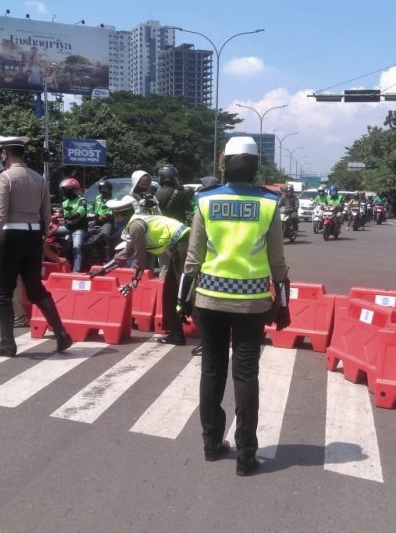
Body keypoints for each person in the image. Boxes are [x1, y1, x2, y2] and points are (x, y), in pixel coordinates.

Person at [182, 136, 289, 476]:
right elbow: (277, 260)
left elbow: (193, 257)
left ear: (224, 164)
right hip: (253, 304)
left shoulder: (205, 200)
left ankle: (211, 444)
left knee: (211, 370)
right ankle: (246, 454)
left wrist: (182, 297)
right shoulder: (269, 203)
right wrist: (284, 303)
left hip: (209, 300)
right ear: (256, 165)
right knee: (246, 375)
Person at [0, 135, 72, 357]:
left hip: (10, 237)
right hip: (33, 237)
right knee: (36, 289)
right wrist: (40, 239)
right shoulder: (39, 178)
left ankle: (7, 343)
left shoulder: (5, 178)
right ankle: (61, 334)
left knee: (2, 292)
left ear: (4, 154)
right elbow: (46, 215)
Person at [97, 194, 189, 345]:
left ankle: (207, 341)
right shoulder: (135, 223)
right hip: (177, 246)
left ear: (119, 215)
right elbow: (127, 252)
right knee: (170, 291)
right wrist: (103, 270)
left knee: (186, 292)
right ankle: (176, 333)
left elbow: (141, 260)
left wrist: (134, 282)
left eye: (115, 213)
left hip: (182, 244)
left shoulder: (135, 226)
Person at [56, 177, 88, 272]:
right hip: (67, 227)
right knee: (48, 234)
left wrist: (73, 216)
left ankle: (76, 271)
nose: (65, 192)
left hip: (79, 229)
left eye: (67, 190)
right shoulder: (64, 202)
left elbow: (81, 211)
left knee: (76, 247)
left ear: (73, 190)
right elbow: (59, 214)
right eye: (64, 190)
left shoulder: (81, 200)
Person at [92, 179, 115, 260]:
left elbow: (113, 212)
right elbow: (92, 208)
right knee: (88, 233)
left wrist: (106, 215)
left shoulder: (114, 199)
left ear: (109, 189)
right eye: (101, 188)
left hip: (108, 221)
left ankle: (108, 256)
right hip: (96, 220)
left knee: (104, 235)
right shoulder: (97, 198)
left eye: (105, 188)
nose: (102, 190)